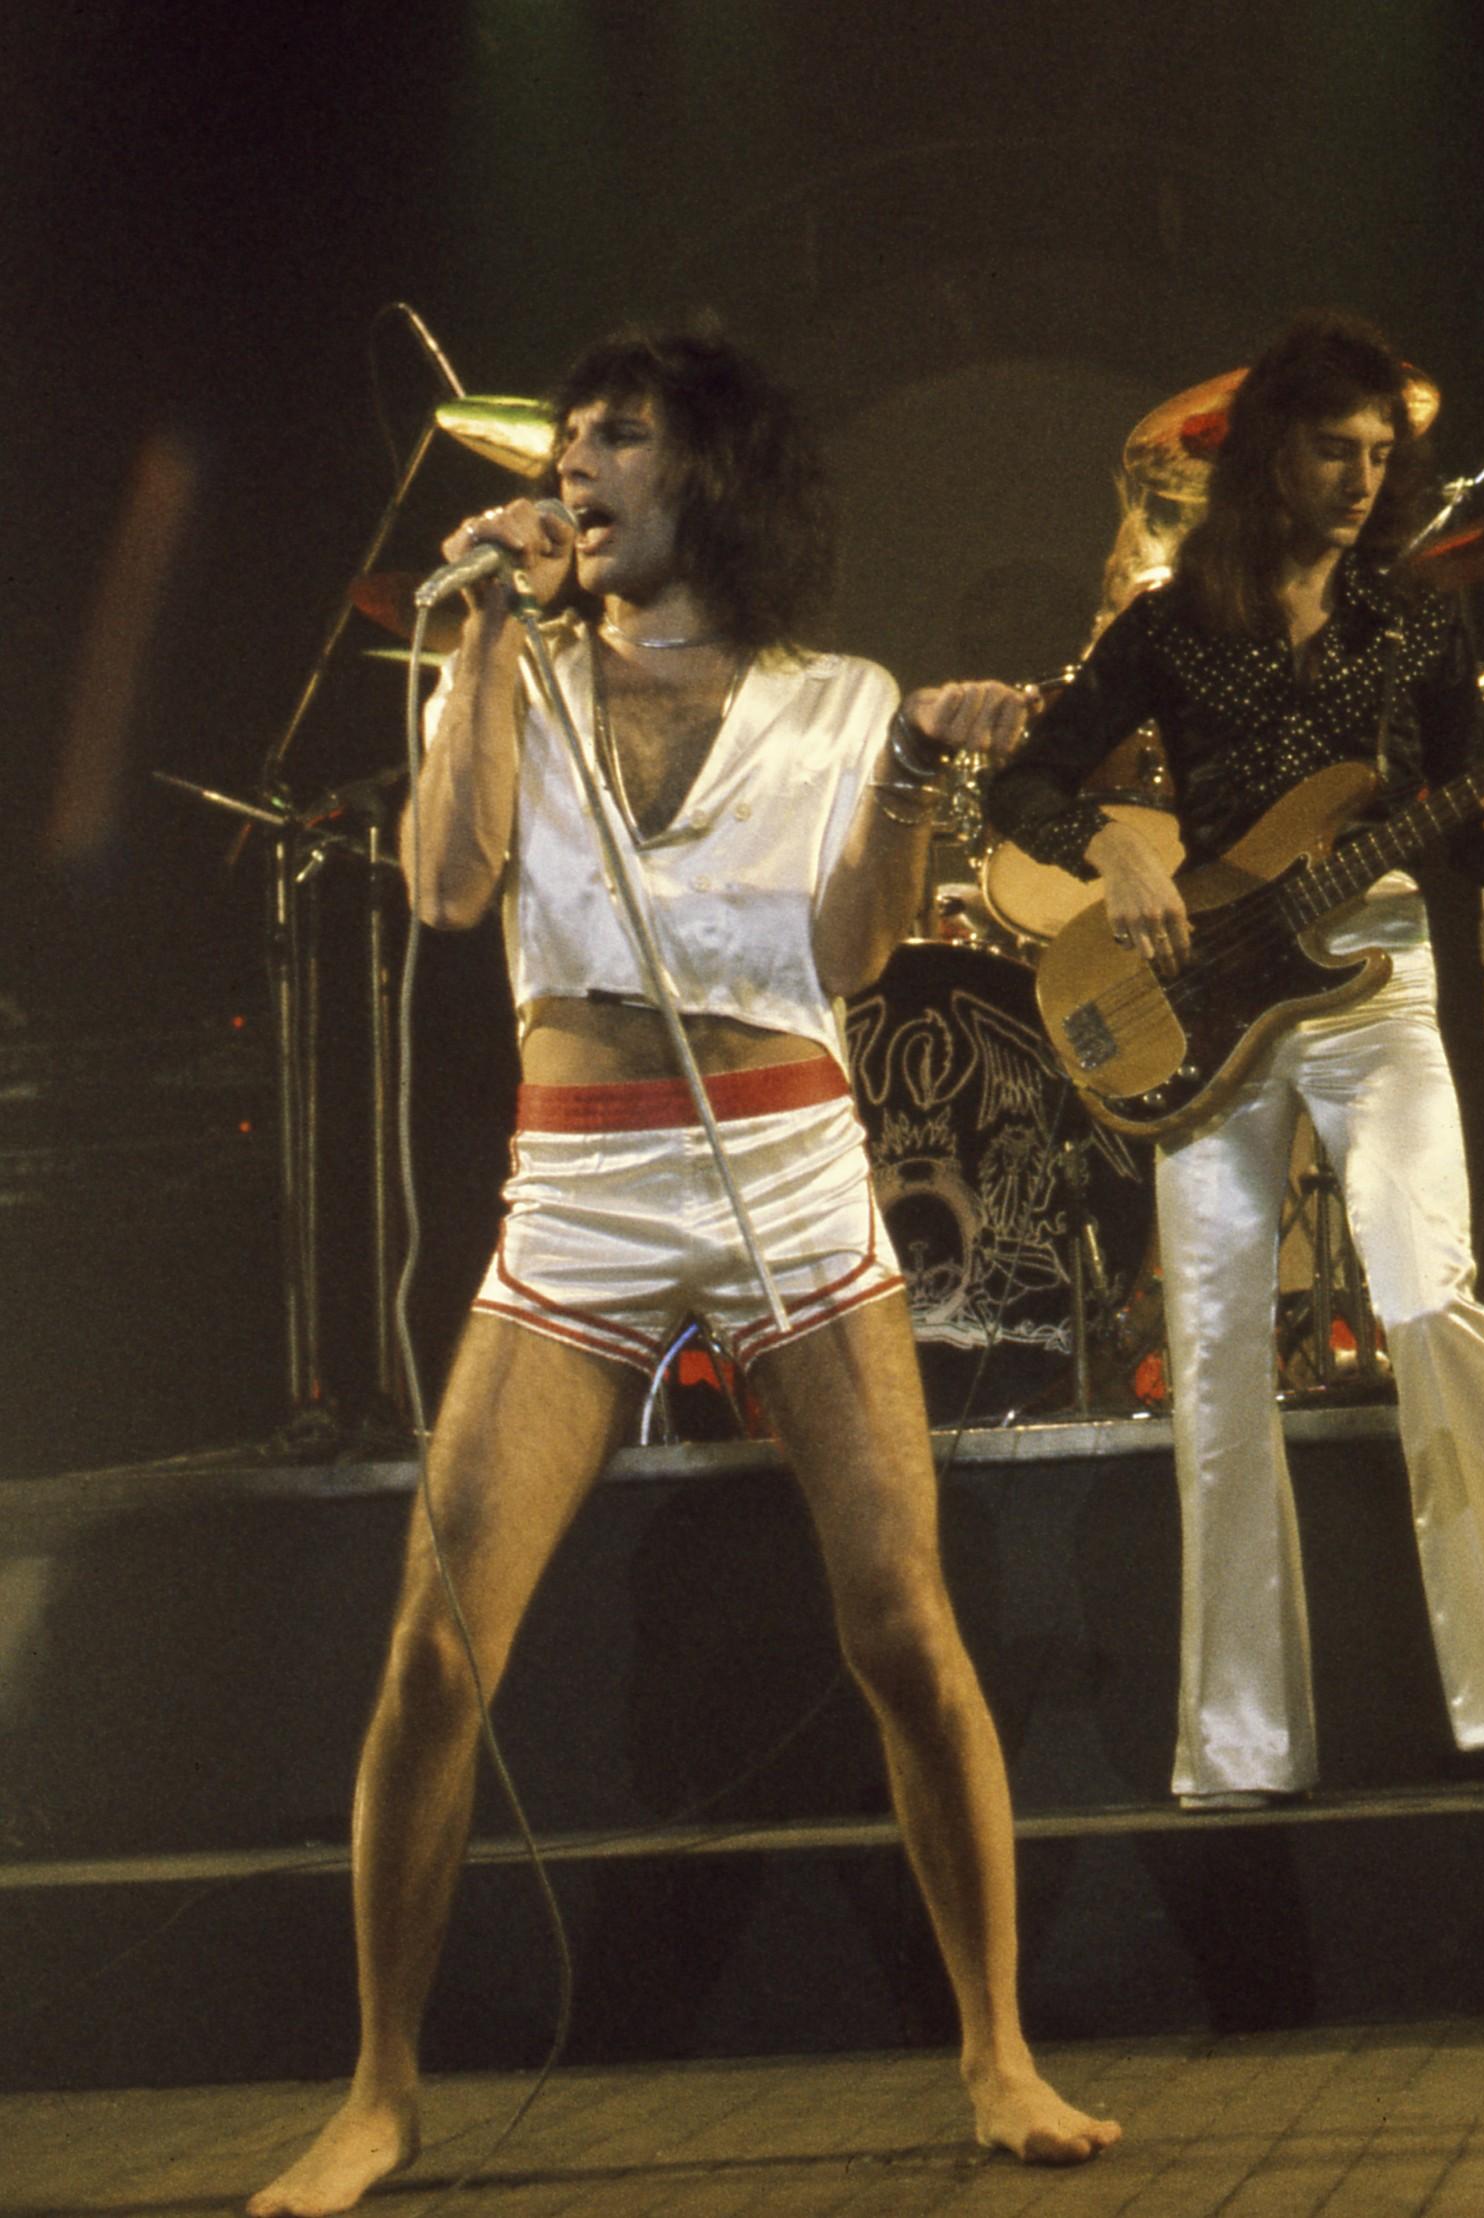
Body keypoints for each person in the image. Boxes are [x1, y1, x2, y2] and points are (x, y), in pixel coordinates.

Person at [249, 329, 1117, 2217]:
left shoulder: (837, 698)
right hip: (578, 1181)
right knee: (438, 1645)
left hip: (789, 1165)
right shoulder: (515, 668)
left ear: (708, 472)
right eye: (565, 436)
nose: (574, 461)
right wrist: (483, 640)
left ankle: (998, 2049)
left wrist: (916, 776)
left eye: (618, 434)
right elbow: (447, 890)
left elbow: (857, 957)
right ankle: (380, 2089)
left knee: (901, 1628)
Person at [986, 312, 1484, 1809]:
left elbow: (1464, 828)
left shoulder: (1417, 622)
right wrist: (1115, 846)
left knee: (1434, 1305)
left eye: (1382, 454)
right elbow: (1022, 784)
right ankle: (1239, 1743)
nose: (1363, 477)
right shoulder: (1169, 627)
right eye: (1336, 448)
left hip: (1374, 972)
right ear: (1273, 450)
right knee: (1212, 1357)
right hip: (1208, 993)